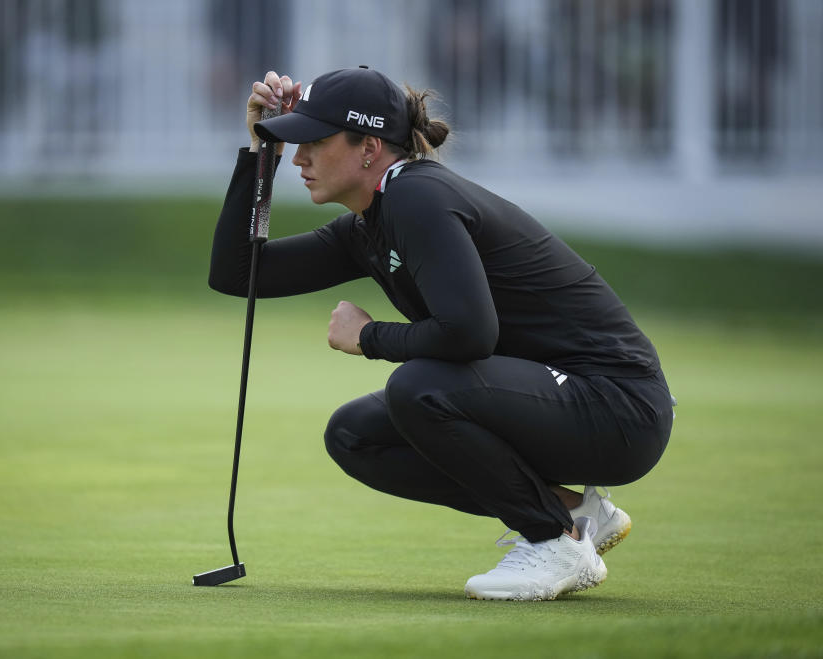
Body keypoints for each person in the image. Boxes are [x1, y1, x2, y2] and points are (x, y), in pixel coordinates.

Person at [209, 66, 674, 601]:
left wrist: (369, 337)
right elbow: (238, 273)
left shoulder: (416, 196)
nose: (299, 158)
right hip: (562, 401)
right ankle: (574, 512)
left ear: (369, 147)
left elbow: (469, 334)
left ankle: (555, 542)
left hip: (618, 406)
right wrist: (257, 157)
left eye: (313, 141)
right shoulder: (371, 220)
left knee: (418, 387)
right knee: (355, 433)